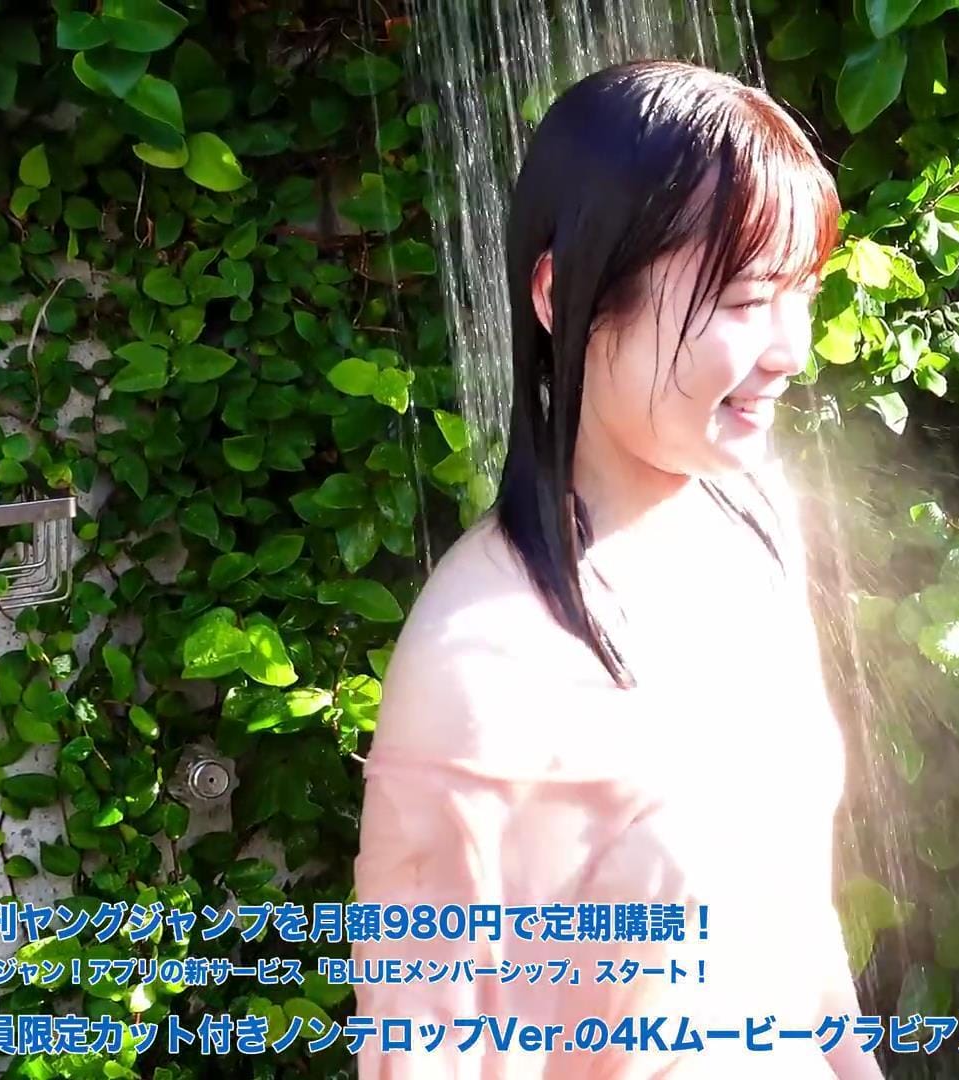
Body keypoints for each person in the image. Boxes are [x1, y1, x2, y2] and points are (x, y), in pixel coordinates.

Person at [349, 59, 883, 1080]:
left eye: (801, 295)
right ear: (566, 294)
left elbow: (798, 926)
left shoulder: (759, 527)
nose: (791, 351)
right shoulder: (482, 663)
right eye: (745, 299)